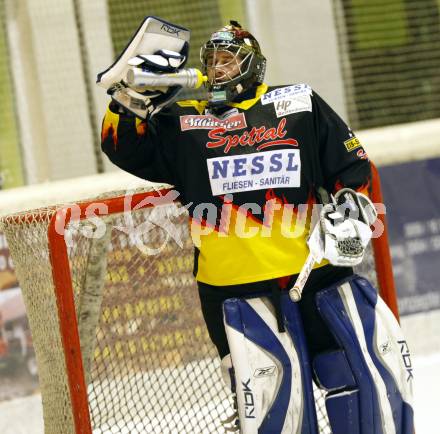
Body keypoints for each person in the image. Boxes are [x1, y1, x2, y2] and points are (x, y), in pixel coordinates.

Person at [99, 16, 414, 434]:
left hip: (316, 273)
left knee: (363, 378)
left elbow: (350, 162)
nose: (217, 69)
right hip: (234, 287)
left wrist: (349, 203)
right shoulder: (183, 121)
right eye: (211, 61)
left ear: (253, 65)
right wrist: (130, 100)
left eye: (227, 60)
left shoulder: (299, 102)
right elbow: (122, 147)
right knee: (276, 405)